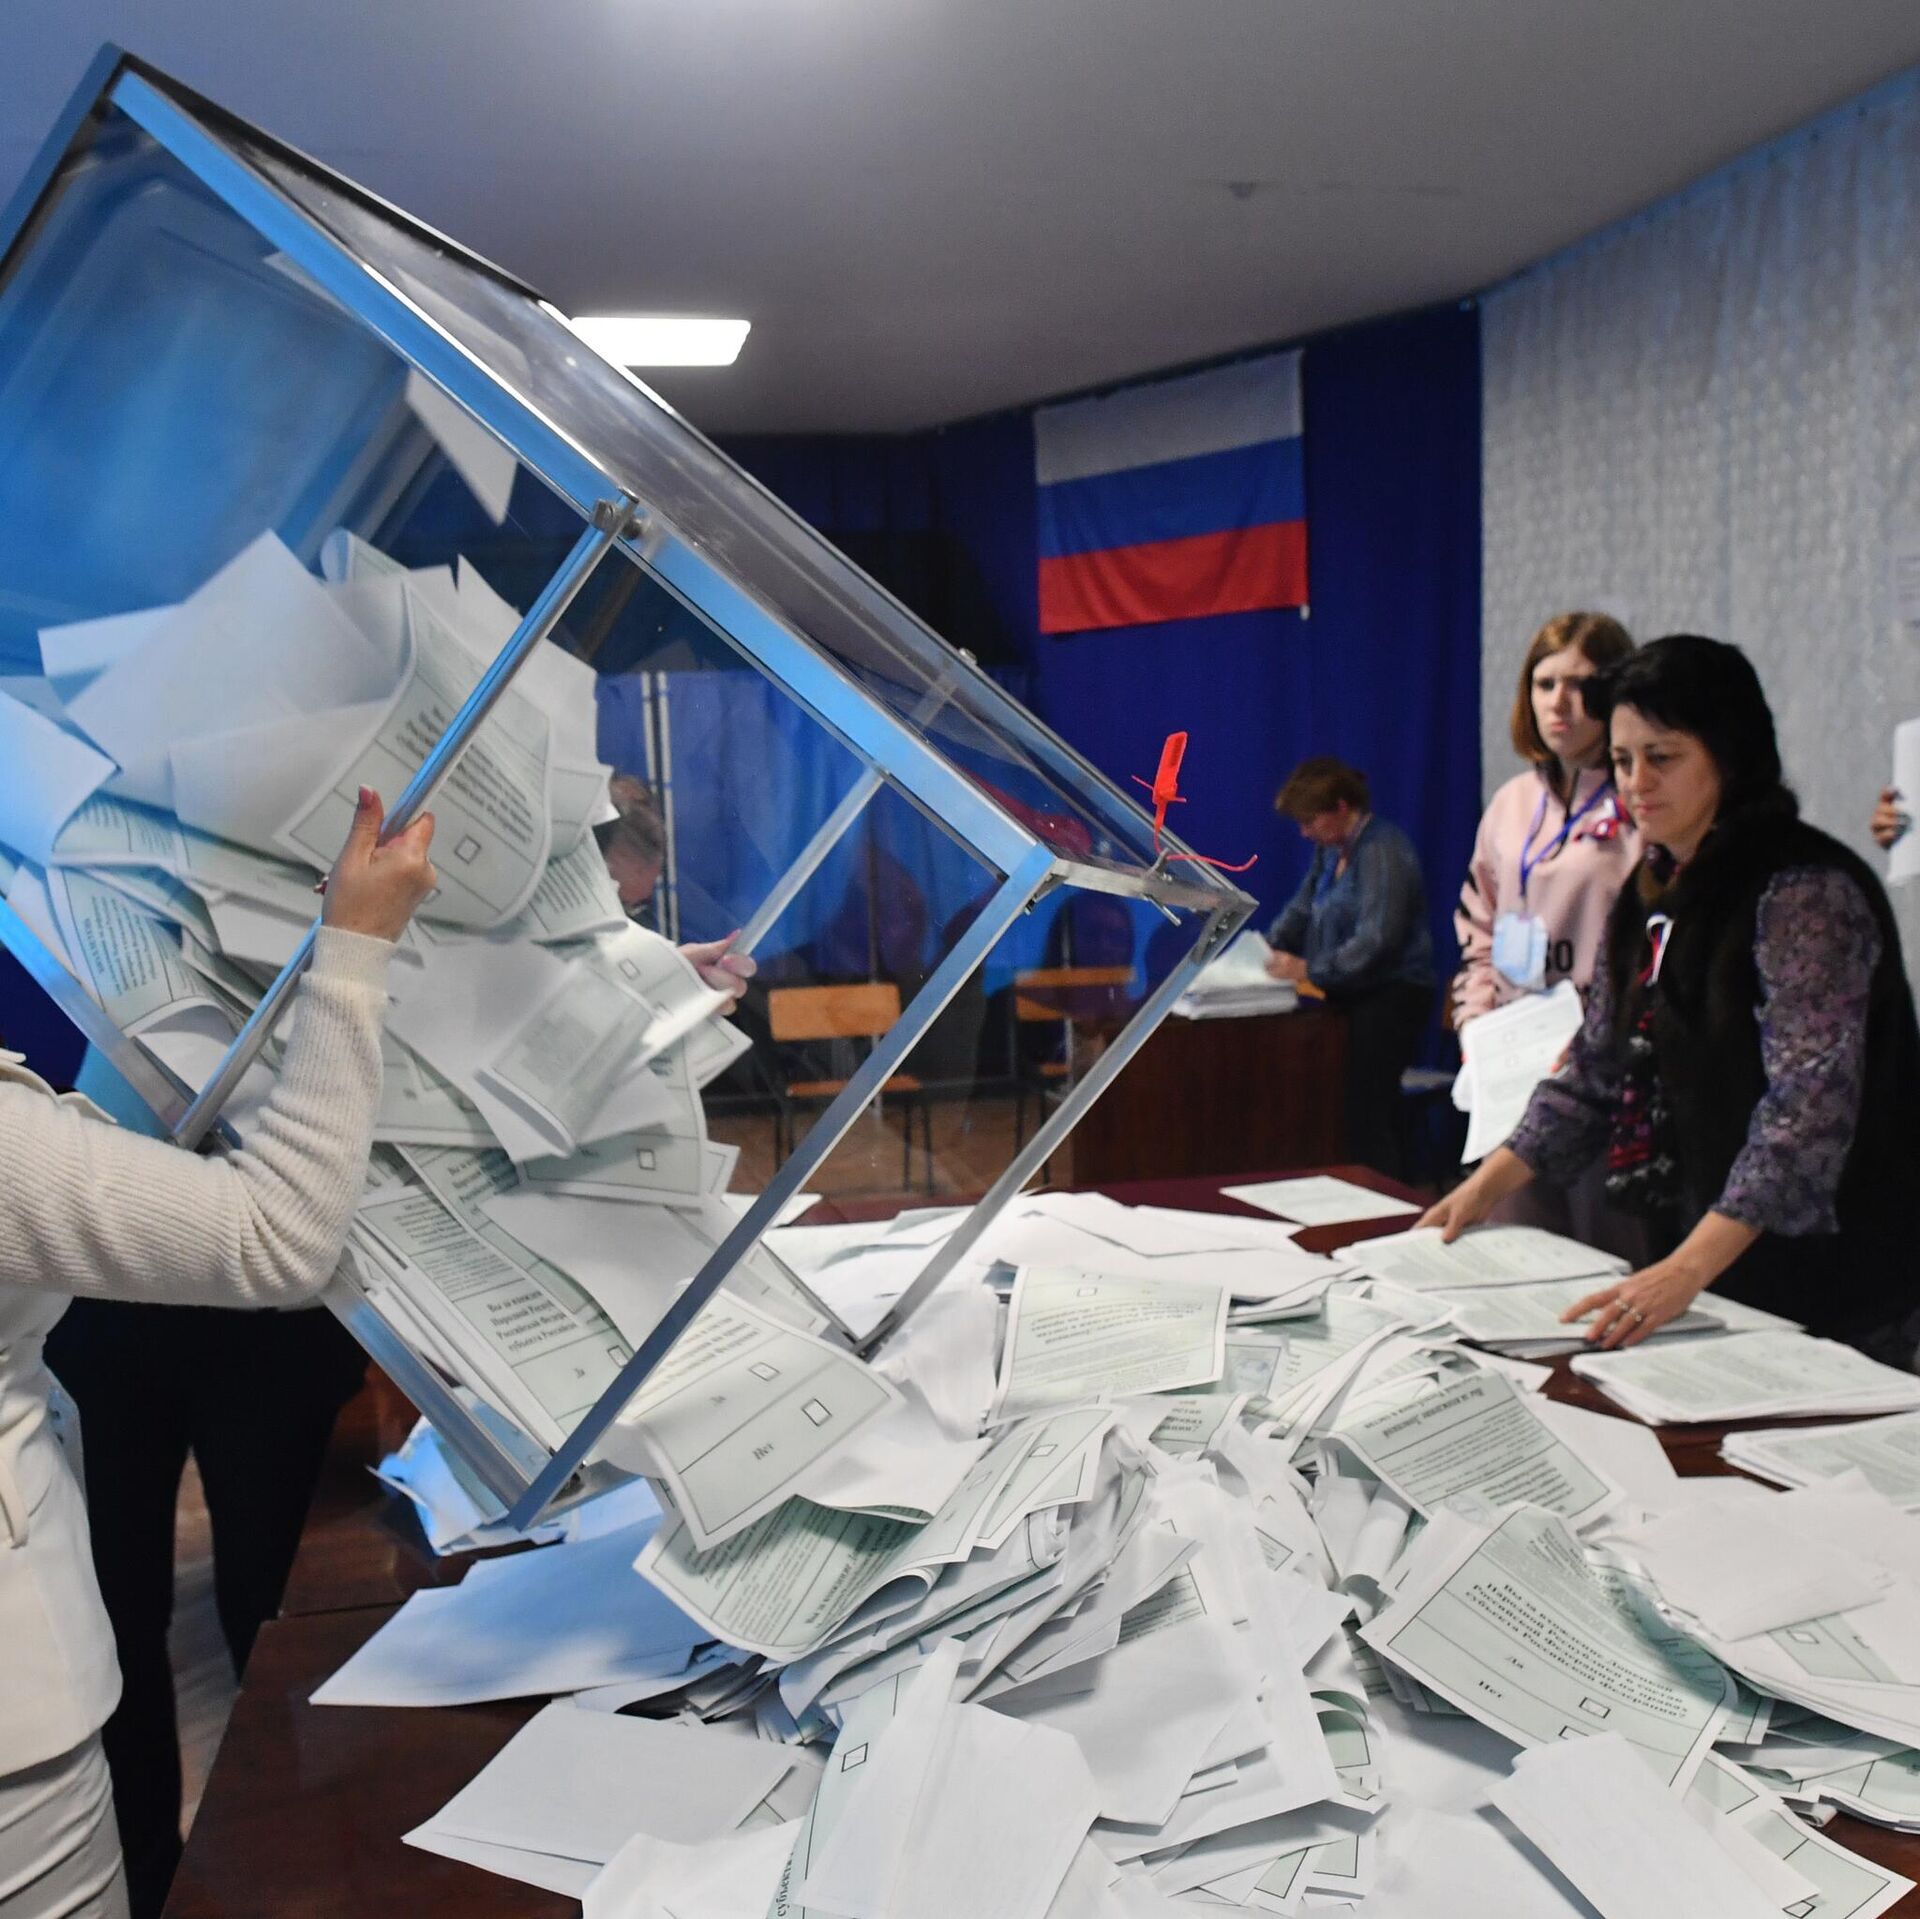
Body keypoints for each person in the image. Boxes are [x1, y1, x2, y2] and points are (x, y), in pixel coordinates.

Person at [0, 787, 435, 1919]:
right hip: (104, 1307)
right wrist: (354, 945)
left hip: (245, 1332)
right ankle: (178, 1873)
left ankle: (295, 1863)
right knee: (126, 1605)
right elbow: (272, 1229)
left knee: (273, 1612)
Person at [1422, 638, 1920, 1357]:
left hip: (1831, 1279)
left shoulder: (1802, 890)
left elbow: (1805, 1116)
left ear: (1729, 753)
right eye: (1622, 760)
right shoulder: (1651, 885)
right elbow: (1594, 1069)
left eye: (1662, 757)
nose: (1636, 783)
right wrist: (1478, 1192)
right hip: (1711, 1258)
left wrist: (1685, 1270)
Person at [1453, 611, 1641, 1258]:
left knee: (1604, 1264)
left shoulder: (1641, 799)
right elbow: (1479, 927)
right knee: (1516, 1257)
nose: (1559, 701)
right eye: (1544, 682)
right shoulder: (1511, 802)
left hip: (1603, 1075)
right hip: (1513, 1067)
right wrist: (1476, 1029)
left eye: (1580, 684)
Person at [1265, 758, 1433, 1178]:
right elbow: (1301, 909)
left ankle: (1386, 1198)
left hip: (1391, 999)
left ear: (1341, 808)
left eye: (1310, 820)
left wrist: (1308, 969)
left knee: (1367, 1115)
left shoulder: (1383, 850)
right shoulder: (1329, 851)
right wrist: (1265, 951)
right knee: (1346, 1113)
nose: (1304, 832)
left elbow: (1377, 940)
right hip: (1350, 998)